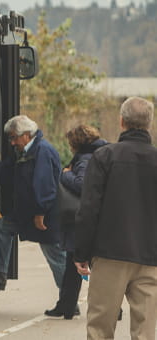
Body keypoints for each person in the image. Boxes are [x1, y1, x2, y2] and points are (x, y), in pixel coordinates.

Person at [75, 97, 157, 340]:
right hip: (150, 256)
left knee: (100, 327)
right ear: (149, 124)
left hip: (109, 253)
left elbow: (89, 208)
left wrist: (81, 252)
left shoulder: (104, 157)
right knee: (145, 331)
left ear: (121, 122)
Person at [0, 115, 66, 314]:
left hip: (43, 215)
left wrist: (41, 212)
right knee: (3, 227)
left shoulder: (43, 151)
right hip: (25, 214)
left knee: (56, 257)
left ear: (26, 135)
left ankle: (68, 300)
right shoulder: (23, 151)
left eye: (14, 137)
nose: (12, 142)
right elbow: (5, 170)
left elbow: (45, 185)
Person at [50, 125, 108, 319]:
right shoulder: (100, 154)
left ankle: (67, 306)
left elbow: (82, 185)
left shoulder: (84, 159)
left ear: (76, 143)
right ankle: (66, 305)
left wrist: (65, 174)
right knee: (78, 265)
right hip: (93, 218)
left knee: (78, 264)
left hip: (81, 220)